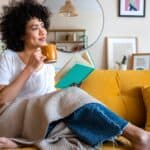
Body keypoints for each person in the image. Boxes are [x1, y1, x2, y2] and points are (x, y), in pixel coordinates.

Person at [0, 1, 150, 150]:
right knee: (74, 99)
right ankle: (138, 135)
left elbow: (47, 94)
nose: (43, 31)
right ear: (20, 34)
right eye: (35, 27)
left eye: (43, 26)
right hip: (12, 117)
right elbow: (2, 99)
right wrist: (29, 68)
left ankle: (22, 142)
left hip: (40, 118)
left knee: (79, 122)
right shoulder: (9, 56)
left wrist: (66, 88)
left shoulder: (47, 60)